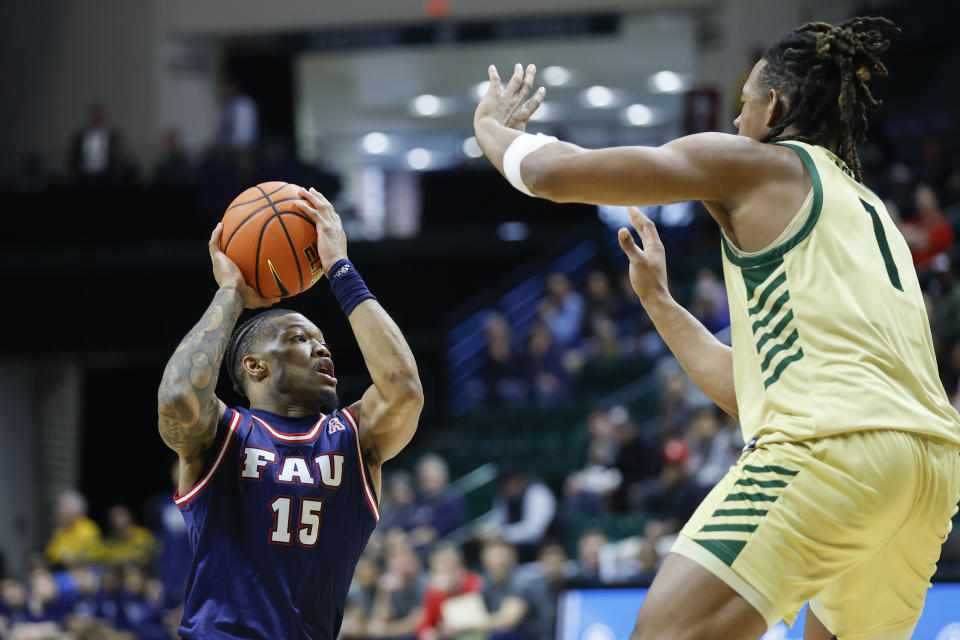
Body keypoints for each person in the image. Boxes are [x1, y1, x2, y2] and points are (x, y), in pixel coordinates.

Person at [474, 17, 960, 640]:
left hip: (833, 451)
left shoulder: (754, 165)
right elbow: (750, 393)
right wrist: (660, 303)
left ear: (774, 107)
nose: (735, 122)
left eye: (744, 105)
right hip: (927, 471)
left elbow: (554, 175)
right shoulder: (871, 213)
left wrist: (491, 129)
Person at [157, 186, 424, 639]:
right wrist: (231, 293)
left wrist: (340, 268)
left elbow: (403, 388)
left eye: (322, 340)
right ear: (255, 366)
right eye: (300, 339)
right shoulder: (224, 432)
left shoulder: (353, 437)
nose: (321, 346)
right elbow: (177, 396)